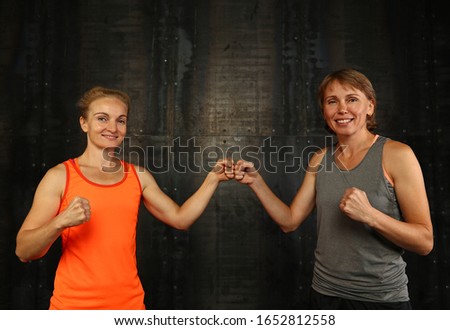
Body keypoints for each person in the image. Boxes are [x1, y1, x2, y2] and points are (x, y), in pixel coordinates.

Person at [15, 86, 234, 309]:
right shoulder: (60, 176)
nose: (113, 128)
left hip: (128, 310)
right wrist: (61, 221)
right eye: (102, 118)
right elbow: (24, 250)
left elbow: (180, 218)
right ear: (84, 123)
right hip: (73, 310)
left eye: (121, 120)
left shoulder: (137, 176)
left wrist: (212, 179)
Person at [234, 68, 433, 309]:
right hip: (324, 295)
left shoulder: (397, 155)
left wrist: (370, 215)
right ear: (325, 111)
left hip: (380, 301)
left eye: (352, 99)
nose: (342, 109)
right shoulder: (320, 159)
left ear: (370, 106)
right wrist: (256, 182)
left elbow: (424, 242)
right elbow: (289, 221)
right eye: (332, 101)